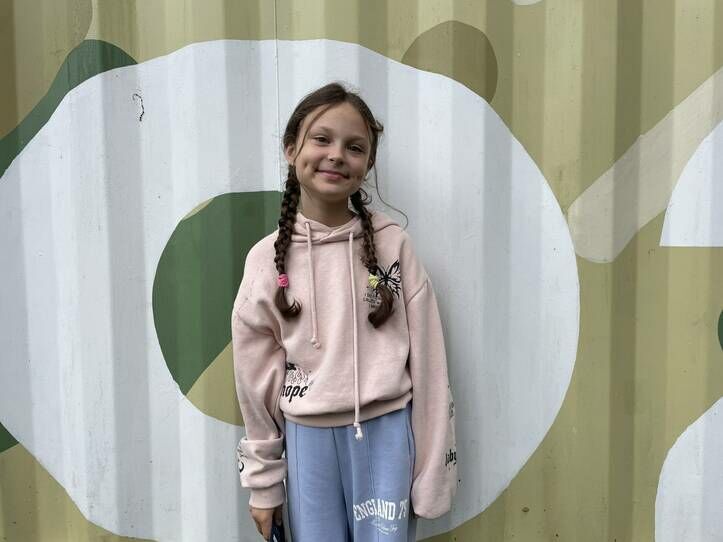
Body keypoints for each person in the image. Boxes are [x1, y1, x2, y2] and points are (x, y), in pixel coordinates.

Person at [231, 81, 457, 541]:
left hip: (387, 436)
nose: (336, 155)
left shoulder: (393, 247)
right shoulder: (266, 261)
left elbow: (430, 364)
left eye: (355, 147)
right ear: (291, 149)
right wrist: (264, 484)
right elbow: (254, 381)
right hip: (306, 441)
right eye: (322, 139)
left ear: (368, 164)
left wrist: (433, 471)